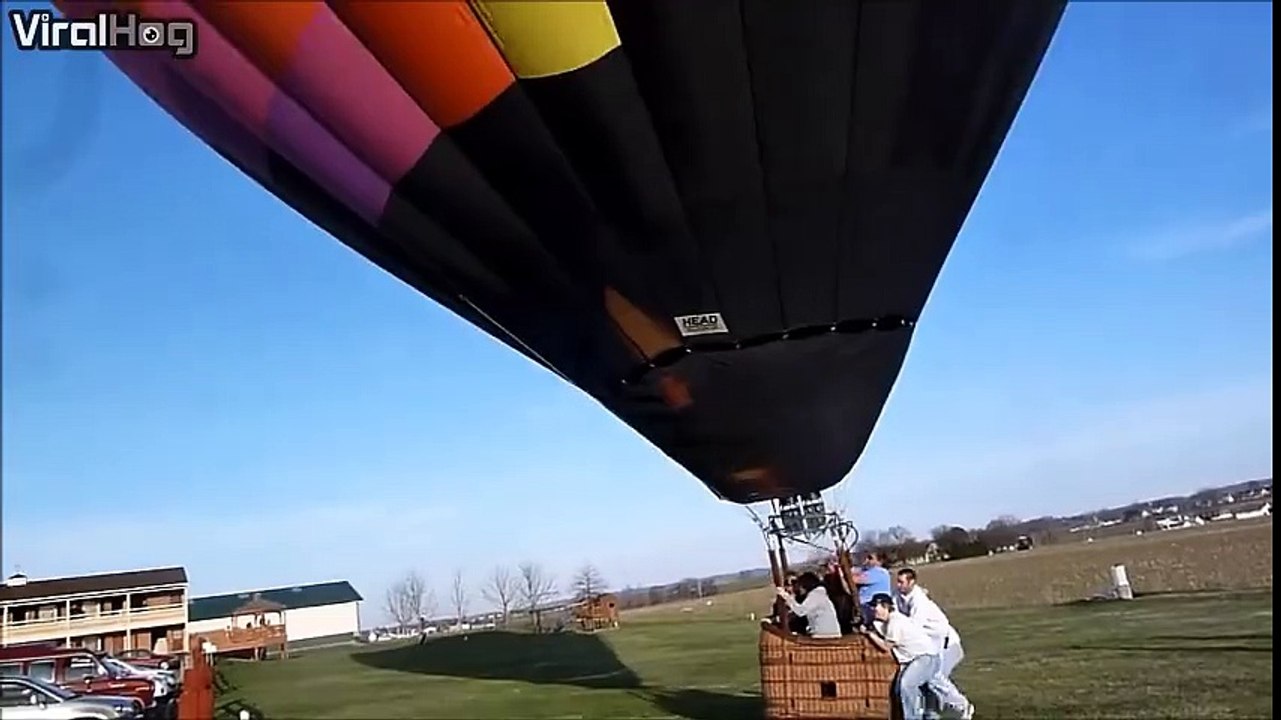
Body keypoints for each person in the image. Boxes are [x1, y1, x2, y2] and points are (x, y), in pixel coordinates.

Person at [894, 568, 975, 720]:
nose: (898, 585)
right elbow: (894, 613)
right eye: (897, 582)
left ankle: (962, 705)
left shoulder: (920, 602)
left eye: (901, 582)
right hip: (928, 643)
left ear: (912, 582)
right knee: (926, 680)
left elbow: (913, 628)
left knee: (933, 677)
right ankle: (930, 714)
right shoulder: (898, 596)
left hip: (946, 643)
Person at [863, 593, 947, 720]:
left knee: (906, 685)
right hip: (914, 659)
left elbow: (886, 646)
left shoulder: (895, 621)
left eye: (876, 606)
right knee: (900, 690)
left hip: (925, 657)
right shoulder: (885, 622)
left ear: (885, 607)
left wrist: (869, 634)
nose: (873, 610)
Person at [774, 571, 842, 639]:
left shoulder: (816, 595)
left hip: (825, 635)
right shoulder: (818, 594)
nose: (798, 588)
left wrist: (785, 596)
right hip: (827, 633)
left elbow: (801, 611)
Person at [850, 551, 893, 628]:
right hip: (864, 608)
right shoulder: (868, 571)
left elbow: (854, 579)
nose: (867, 560)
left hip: (873, 609)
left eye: (870, 558)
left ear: (880, 561)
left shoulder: (879, 572)